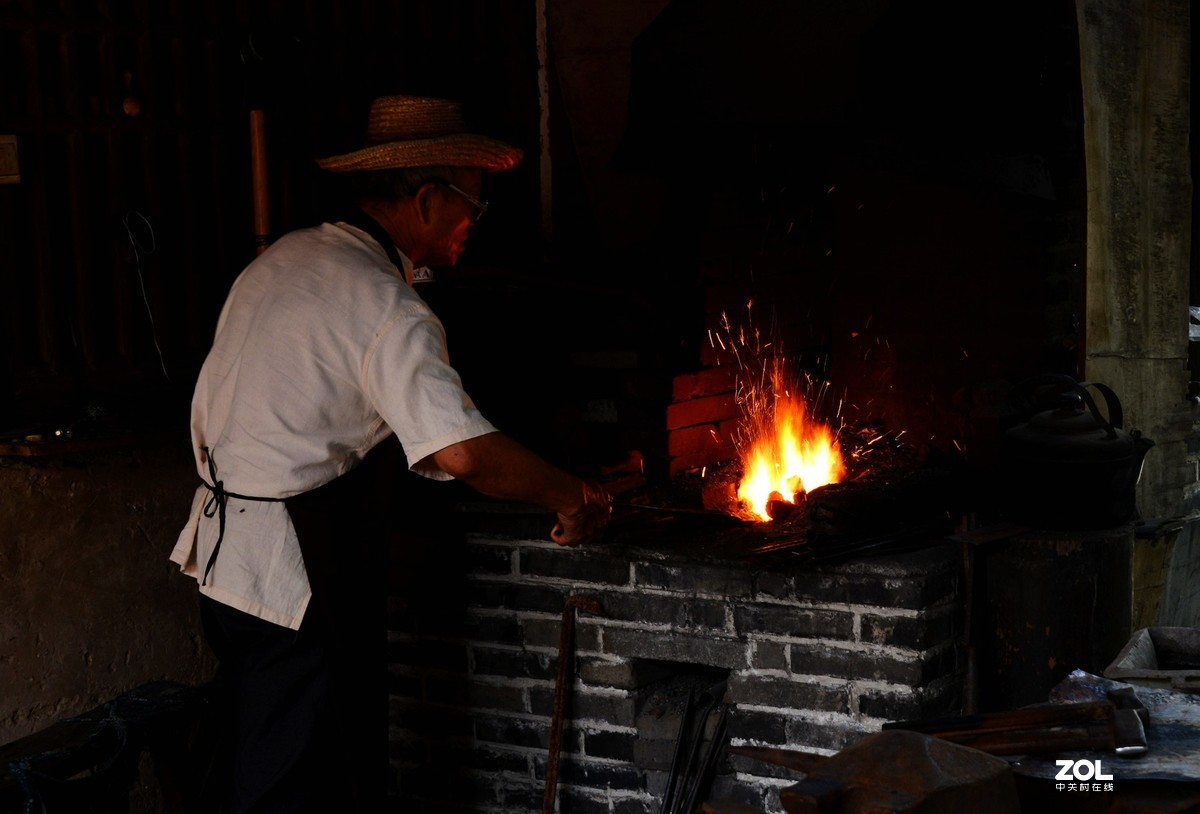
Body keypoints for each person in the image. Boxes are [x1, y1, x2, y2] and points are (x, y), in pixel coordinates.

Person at [170, 94, 612, 813]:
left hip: (223, 564)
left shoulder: (286, 257)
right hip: (292, 574)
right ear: (430, 198)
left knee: (265, 753)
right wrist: (567, 492)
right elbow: (464, 453)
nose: (477, 222)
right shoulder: (385, 304)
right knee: (302, 783)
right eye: (475, 204)